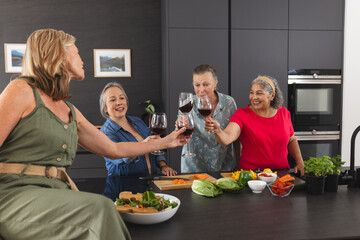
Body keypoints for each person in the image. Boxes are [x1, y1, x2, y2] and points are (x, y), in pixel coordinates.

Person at [0, 29, 187, 240]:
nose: (82, 60)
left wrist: (166, 141)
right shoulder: (20, 90)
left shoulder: (70, 110)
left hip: (57, 193)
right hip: (13, 195)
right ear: (59, 55)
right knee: (101, 209)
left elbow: (114, 149)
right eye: (77, 53)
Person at [205, 75, 305, 177]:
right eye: (251, 92)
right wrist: (217, 130)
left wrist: (300, 162)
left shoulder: (284, 113)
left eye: (259, 93)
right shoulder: (242, 115)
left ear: (272, 95)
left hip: (281, 175)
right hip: (251, 176)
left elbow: (291, 140)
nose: (254, 97)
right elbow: (226, 138)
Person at [99, 82, 177, 176]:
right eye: (112, 100)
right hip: (123, 187)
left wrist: (163, 166)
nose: (119, 102)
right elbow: (121, 160)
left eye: (122, 98)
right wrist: (143, 145)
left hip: (149, 182)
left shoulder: (138, 122)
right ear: (105, 108)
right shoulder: (105, 133)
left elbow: (155, 147)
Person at [181, 64, 238, 173]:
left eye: (206, 84)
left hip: (225, 167)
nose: (201, 89)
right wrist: (180, 129)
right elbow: (180, 136)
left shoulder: (229, 102)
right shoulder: (187, 104)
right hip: (194, 169)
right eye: (197, 85)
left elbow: (236, 136)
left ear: (215, 84)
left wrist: (239, 164)